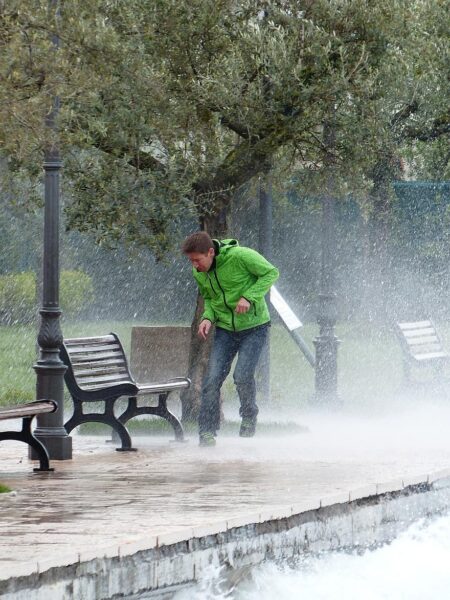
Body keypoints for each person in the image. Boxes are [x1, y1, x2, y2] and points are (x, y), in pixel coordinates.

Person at [182, 231, 279, 446]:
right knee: (211, 380)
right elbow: (210, 299)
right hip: (225, 329)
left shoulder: (241, 256)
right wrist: (207, 317)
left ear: (210, 252)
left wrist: (249, 297)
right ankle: (206, 432)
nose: (195, 266)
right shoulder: (199, 272)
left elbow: (271, 273)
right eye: (191, 261)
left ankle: (249, 415)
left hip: (255, 327)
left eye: (197, 260)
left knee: (242, 375)